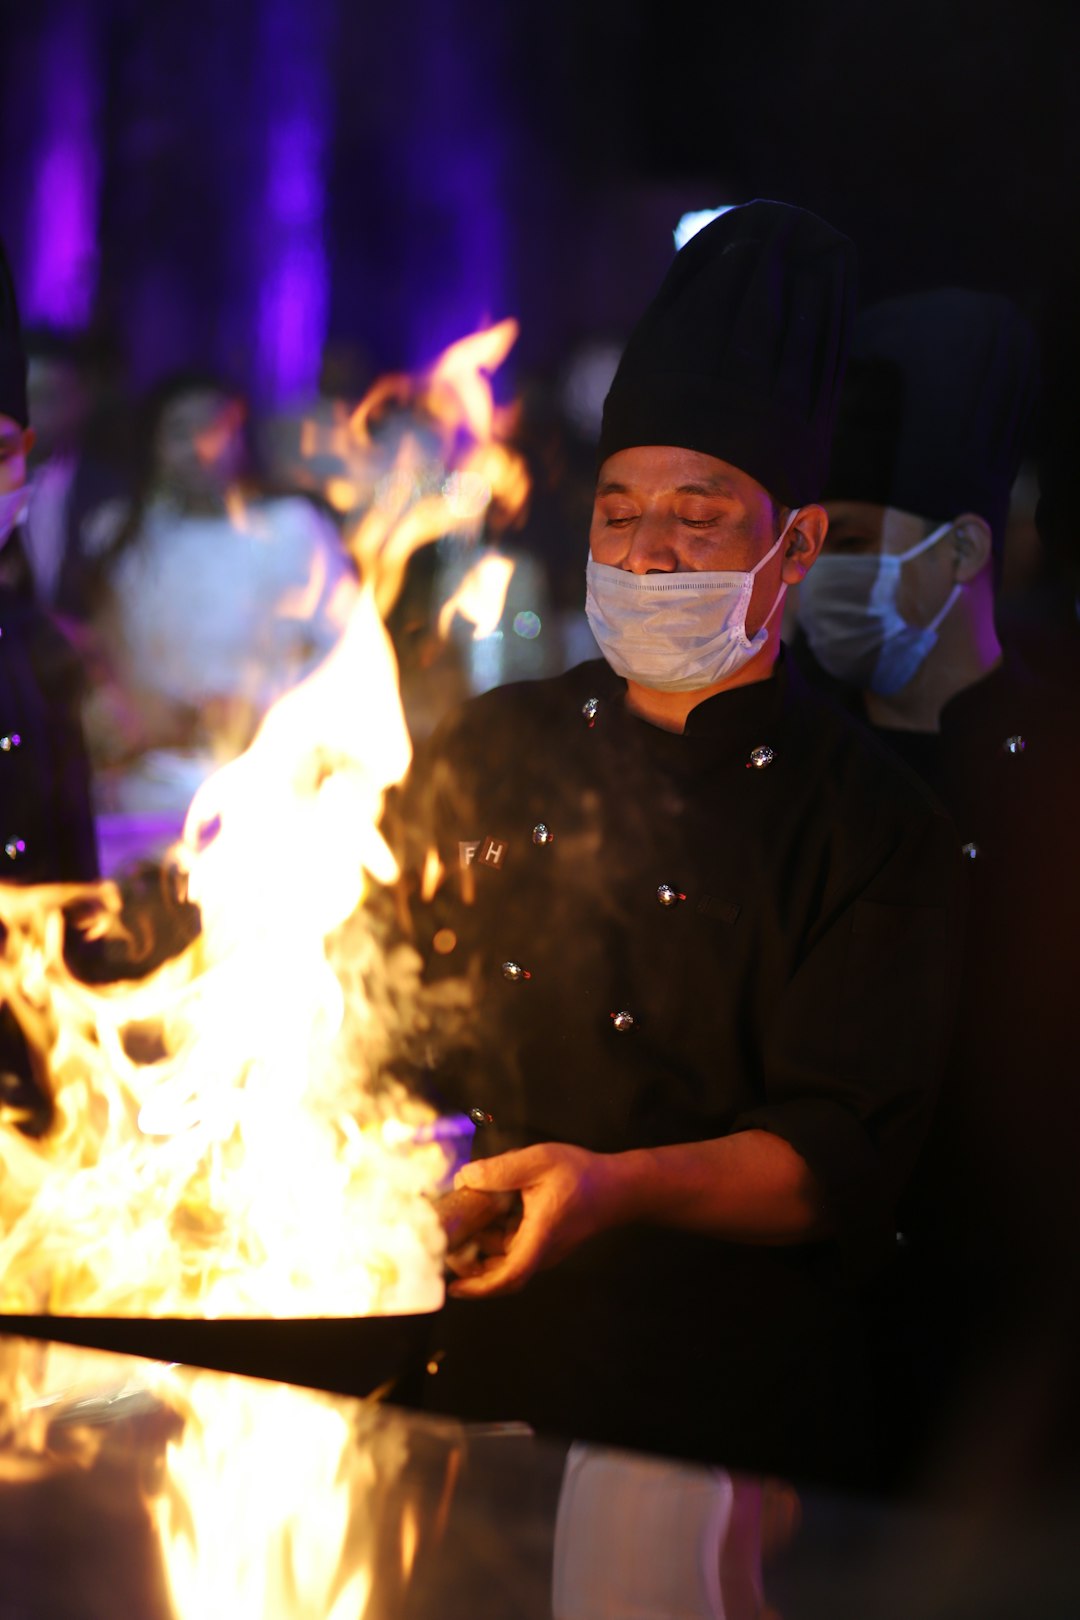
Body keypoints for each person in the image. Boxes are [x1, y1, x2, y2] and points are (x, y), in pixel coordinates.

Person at [395, 203, 961, 1489]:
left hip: (720, 1410)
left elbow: (829, 1158)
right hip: (470, 1366)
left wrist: (613, 1189)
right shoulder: (493, 745)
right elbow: (378, 985)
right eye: (618, 512)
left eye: (698, 519)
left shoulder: (873, 822)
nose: (647, 552)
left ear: (793, 543)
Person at [794, 289, 1080, 1490]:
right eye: (809, 544)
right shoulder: (795, 760)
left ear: (960, 552)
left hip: (1003, 1376)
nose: (818, 579)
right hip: (810, 1369)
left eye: (853, 543)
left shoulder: (1052, 773)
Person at [81, 371, 355, 871]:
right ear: (154, 444)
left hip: (269, 773)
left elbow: (344, 651)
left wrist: (270, 715)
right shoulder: (119, 535)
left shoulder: (292, 528)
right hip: (151, 780)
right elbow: (101, 653)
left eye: (214, 429)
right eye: (180, 431)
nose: (199, 447)